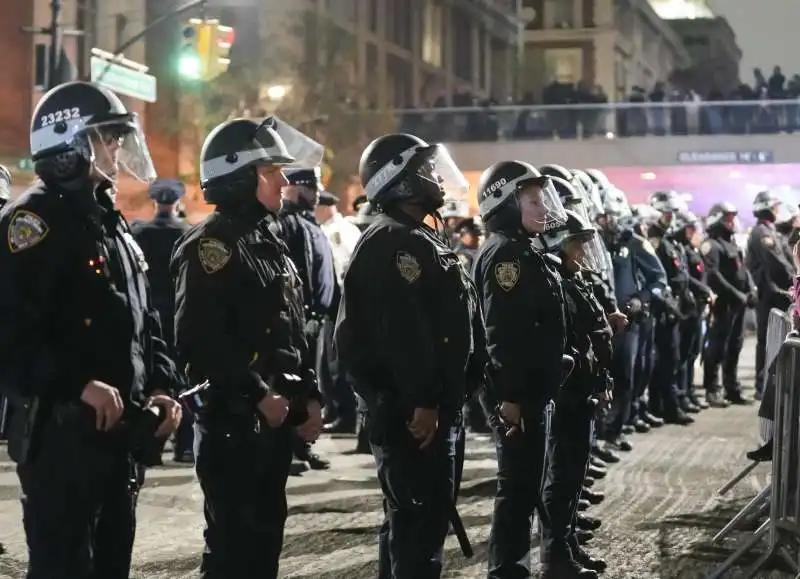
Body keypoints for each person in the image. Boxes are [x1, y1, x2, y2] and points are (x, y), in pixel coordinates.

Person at [0, 80, 182, 579]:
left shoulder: (108, 221)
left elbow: (144, 321)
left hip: (117, 444)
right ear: (69, 147)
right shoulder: (31, 224)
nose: (118, 149)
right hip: (60, 444)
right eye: (107, 137)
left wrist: (162, 384)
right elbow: (10, 338)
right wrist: (76, 384)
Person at [171, 116, 325, 578]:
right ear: (239, 175)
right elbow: (200, 342)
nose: (283, 181)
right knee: (232, 552)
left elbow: (289, 331)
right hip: (234, 426)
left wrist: (308, 394)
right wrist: (258, 394)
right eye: (270, 171)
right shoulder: (211, 245)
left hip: (271, 425)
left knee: (263, 551)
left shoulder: (269, 239)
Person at [335, 133, 484, 578]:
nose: (437, 179)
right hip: (412, 415)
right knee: (417, 532)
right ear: (398, 181)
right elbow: (402, 335)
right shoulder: (394, 242)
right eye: (425, 170)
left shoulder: (418, 237)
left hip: (433, 408)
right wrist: (421, 400)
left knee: (415, 527)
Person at [471, 160, 580, 577]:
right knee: (516, 493)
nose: (541, 206)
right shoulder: (505, 256)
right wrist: (510, 398)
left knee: (525, 488)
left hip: (534, 391)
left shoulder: (523, 249)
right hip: (519, 396)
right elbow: (503, 335)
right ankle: (506, 571)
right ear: (505, 203)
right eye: (531, 199)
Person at [541, 208, 614, 577]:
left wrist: (602, 383)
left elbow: (594, 335)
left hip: (583, 392)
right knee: (562, 478)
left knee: (573, 477)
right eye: (577, 244)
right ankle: (556, 556)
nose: (583, 252)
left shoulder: (574, 280)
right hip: (569, 396)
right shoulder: (558, 283)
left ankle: (567, 545)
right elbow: (571, 342)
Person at [595, 181, 666, 453]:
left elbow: (659, 279)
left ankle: (615, 430)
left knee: (625, 377)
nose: (605, 221)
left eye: (608, 216)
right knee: (599, 380)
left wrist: (641, 299)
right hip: (600, 323)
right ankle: (599, 434)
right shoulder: (595, 243)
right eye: (602, 216)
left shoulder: (636, 244)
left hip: (627, 323)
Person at [275, 167, 339, 460]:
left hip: (317, 320)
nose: (314, 194)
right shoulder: (286, 222)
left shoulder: (310, 224)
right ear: (292, 188)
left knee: (309, 385)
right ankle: (290, 446)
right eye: (308, 188)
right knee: (292, 383)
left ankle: (302, 445)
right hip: (300, 319)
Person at [130, 179, 193, 462]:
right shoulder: (188, 233)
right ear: (177, 203)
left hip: (148, 317)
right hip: (178, 316)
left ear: (154, 203)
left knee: (151, 379)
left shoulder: (138, 232)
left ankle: (151, 442)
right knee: (184, 379)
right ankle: (185, 446)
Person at [645, 191, 696, 424]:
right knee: (667, 359)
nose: (670, 217)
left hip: (676, 307)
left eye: (672, 213)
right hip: (665, 309)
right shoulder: (655, 241)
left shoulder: (669, 241)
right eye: (666, 213)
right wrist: (668, 305)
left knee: (672, 359)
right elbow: (657, 277)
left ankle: (663, 404)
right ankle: (666, 406)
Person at [702, 202, 757, 405]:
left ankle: (731, 388)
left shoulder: (732, 243)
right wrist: (737, 294)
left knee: (734, 346)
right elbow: (713, 275)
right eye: (728, 218)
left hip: (738, 304)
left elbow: (744, 270)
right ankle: (711, 389)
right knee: (717, 348)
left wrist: (751, 289)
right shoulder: (711, 245)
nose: (731, 222)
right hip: (724, 304)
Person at [746, 191, 795, 399]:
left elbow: (787, 257)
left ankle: (771, 383)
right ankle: (762, 386)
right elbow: (776, 262)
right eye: (774, 206)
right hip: (769, 294)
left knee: (777, 339)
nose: (777, 210)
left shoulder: (772, 231)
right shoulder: (761, 233)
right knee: (766, 339)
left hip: (778, 293)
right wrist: (795, 278)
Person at [672, 210, 714, 410]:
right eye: (690, 228)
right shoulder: (684, 251)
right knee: (683, 354)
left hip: (697, 307)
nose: (694, 232)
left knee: (692, 353)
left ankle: (687, 391)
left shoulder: (691, 250)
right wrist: (706, 290)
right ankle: (681, 394)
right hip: (687, 308)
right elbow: (687, 278)